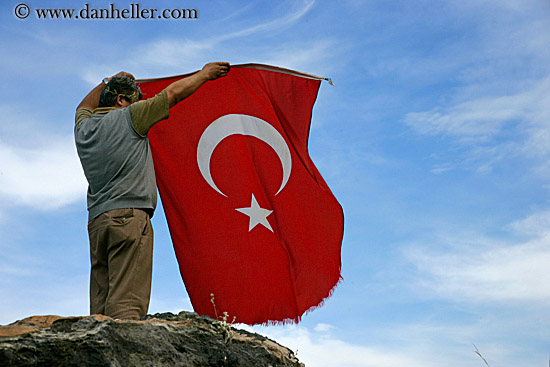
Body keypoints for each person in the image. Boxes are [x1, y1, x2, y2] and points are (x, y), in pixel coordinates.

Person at [74, 62, 230, 320]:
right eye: (135, 99)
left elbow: (83, 106)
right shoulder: (131, 117)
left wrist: (107, 81)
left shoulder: (83, 129)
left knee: (100, 307)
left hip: (98, 224)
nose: (140, 103)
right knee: (126, 306)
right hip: (129, 220)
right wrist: (204, 74)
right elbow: (172, 94)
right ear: (122, 100)